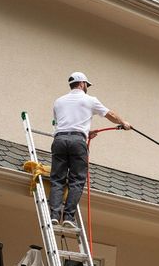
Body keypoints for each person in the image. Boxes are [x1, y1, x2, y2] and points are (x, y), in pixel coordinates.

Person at [49, 71, 131, 227]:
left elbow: (61, 124)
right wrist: (124, 122)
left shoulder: (58, 101)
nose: (87, 87)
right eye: (87, 85)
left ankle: (54, 215)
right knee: (76, 180)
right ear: (82, 84)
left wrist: (86, 133)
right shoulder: (90, 100)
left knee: (57, 179)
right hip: (77, 142)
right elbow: (110, 114)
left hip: (59, 140)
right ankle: (68, 217)